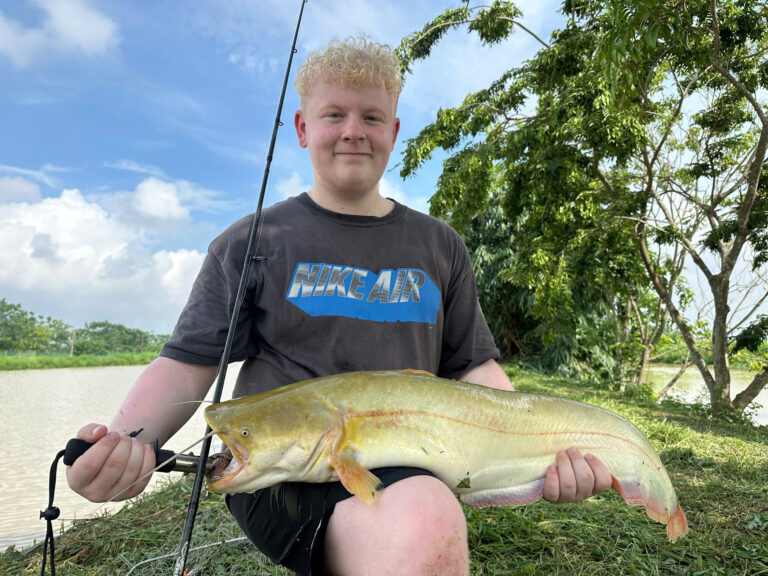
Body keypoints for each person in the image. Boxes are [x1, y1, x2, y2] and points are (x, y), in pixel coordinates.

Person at [66, 37, 612, 576]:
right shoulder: (252, 241)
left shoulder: (440, 245)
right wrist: (125, 444)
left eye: (372, 117)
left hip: (410, 460)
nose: (353, 131)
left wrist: (539, 454)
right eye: (334, 114)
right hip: (282, 474)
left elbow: (474, 367)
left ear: (394, 133)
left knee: (423, 509)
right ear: (303, 129)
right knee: (425, 520)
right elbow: (187, 368)